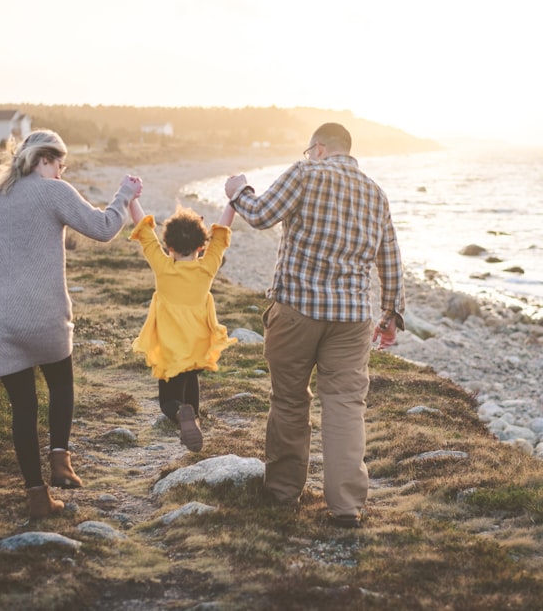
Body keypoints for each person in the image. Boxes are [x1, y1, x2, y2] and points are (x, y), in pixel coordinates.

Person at [224, 122, 405, 528]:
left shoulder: (304, 172)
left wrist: (239, 192)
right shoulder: (376, 193)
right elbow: (390, 258)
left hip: (296, 310)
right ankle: (346, 508)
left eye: (310, 151)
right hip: (352, 318)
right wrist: (390, 315)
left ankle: (283, 494)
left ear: (319, 148)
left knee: (289, 401)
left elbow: (262, 215)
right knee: (345, 406)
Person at [0, 129, 142, 519]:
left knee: (23, 408)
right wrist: (124, 194)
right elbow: (104, 228)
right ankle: (60, 459)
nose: (61, 171)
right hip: (44, 319)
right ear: (45, 160)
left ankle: (37, 497)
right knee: (61, 382)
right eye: (60, 164)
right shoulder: (53, 190)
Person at [127, 189, 237, 452]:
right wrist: (233, 200)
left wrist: (131, 199)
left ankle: (182, 415)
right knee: (191, 380)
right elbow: (221, 233)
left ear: (169, 247)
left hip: (170, 348)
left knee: (169, 402)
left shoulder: (163, 266)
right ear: (201, 246)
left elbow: (144, 232)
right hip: (198, 344)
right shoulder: (207, 266)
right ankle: (193, 418)